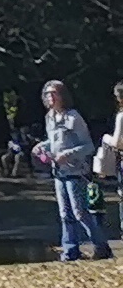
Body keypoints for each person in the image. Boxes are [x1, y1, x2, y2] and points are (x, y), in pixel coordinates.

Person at [36, 80, 113, 260]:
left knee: (80, 213)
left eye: (54, 93)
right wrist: (41, 147)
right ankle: (70, 251)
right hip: (58, 172)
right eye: (47, 94)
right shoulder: (49, 118)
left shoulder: (73, 117)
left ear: (62, 95)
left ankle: (101, 246)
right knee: (65, 214)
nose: (51, 97)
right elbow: (53, 141)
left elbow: (88, 146)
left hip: (76, 171)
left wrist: (68, 155)